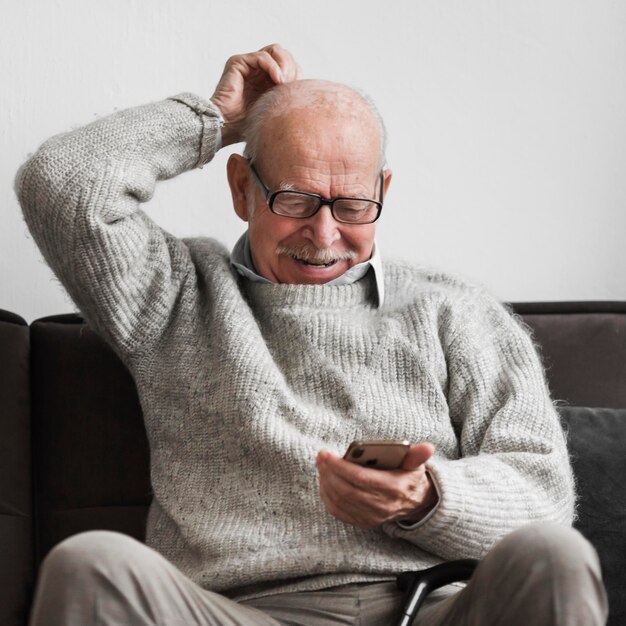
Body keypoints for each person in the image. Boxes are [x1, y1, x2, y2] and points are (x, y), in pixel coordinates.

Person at [17, 44, 608, 626]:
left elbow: (544, 498)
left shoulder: (456, 312)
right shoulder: (173, 297)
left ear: (383, 193)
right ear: (242, 188)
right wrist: (215, 120)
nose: (324, 235)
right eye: (296, 199)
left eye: (352, 206)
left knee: (553, 558)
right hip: (240, 613)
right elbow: (62, 183)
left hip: (432, 608)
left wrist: (426, 498)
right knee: (91, 563)